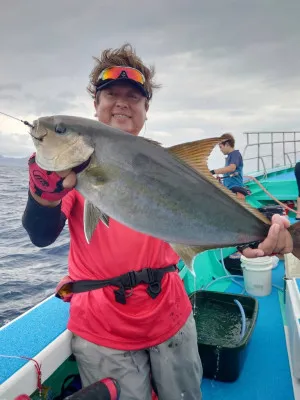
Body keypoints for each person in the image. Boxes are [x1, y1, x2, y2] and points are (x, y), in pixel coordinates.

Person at [22, 44, 293, 400]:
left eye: (133, 96)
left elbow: (210, 212)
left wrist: (262, 233)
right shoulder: (71, 174)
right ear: (95, 106)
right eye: (111, 94)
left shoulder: (171, 165)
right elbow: (41, 235)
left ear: (145, 109)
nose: (122, 102)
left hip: (171, 318)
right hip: (104, 329)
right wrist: (42, 194)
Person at [210, 133, 249, 199]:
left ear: (227, 144)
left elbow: (232, 168)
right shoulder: (229, 157)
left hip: (236, 191)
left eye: (221, 147)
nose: (220, 149)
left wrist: (213, 172)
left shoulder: (235, 154)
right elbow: (228, 173)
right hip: (229, 190)